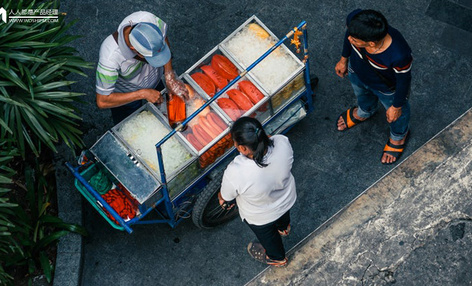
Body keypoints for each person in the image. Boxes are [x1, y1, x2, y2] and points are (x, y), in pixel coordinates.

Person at [335, 9, 412, 164]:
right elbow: (348, 37)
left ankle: (398, 136)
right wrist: (344, 59)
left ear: (371, 43)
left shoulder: (399, 55)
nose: (350, 39)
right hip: (356, 73)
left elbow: (404, 81)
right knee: (362, 95)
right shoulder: (356, 23)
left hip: (386, 88)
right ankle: (365, 111)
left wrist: (396, 106)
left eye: (355, 40)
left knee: (398, 116)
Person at [218, 117, 296, 267]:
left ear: (243, 148)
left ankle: (278, 258)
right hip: (286, 198)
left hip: (261, 216)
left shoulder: (236, 172)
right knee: (283, 218)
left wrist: (221, 198)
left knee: (269, 238)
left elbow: (226, 196)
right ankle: (284, 228)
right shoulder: (282, 142)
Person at [95, 11, 188, 125]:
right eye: (151, 58)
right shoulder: (109, 58)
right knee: (131, 126)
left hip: (156, 80)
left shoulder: (149, 19)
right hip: (127, 94)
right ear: (133, 49)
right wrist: (142, 94)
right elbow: (102, 101)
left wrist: (169, 74)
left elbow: (163, 38)